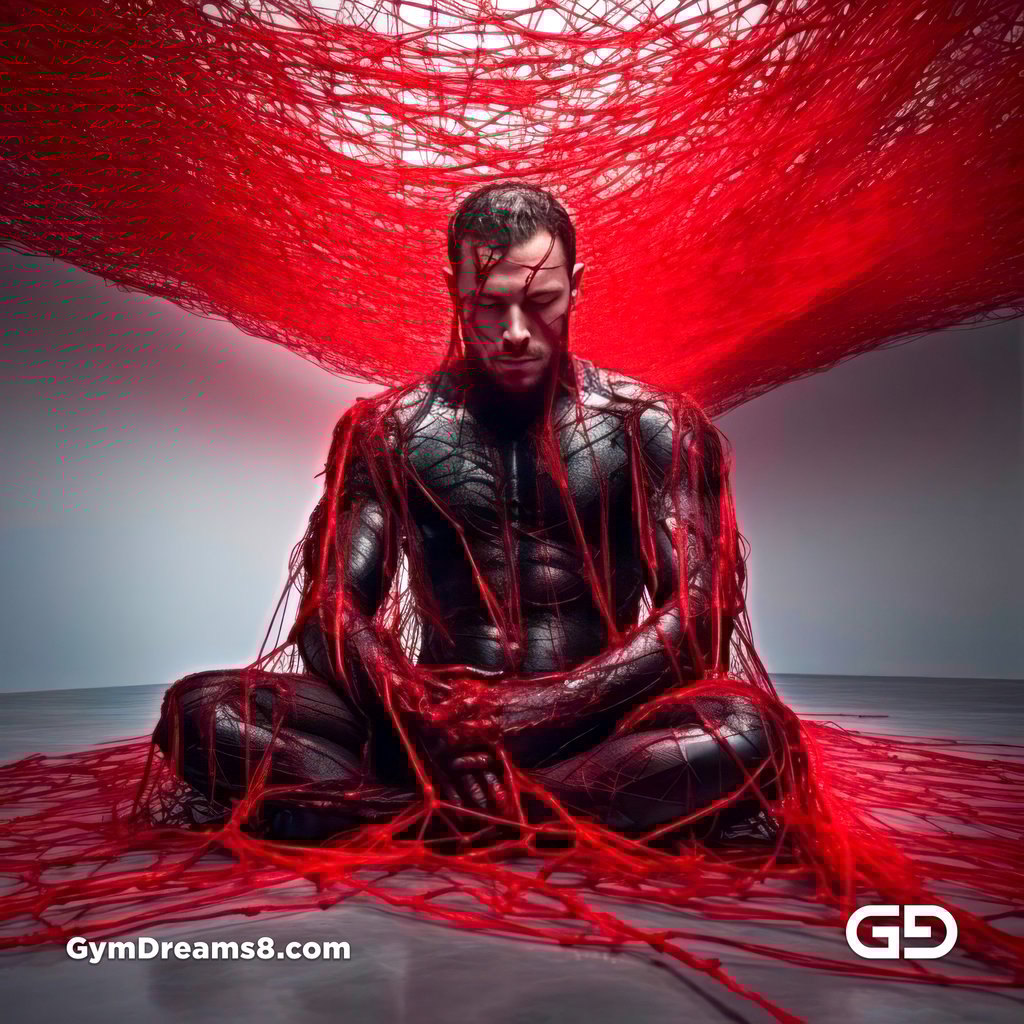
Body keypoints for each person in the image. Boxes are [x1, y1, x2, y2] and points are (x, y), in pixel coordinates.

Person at [153, 182, 795, 842]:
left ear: (576, 287)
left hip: (598, 726)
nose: (516, 333)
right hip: (433, 723)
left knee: (752, 733)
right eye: (490, 305)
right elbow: (331, 608)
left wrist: (540, 707)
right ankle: (526, 813)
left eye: (541, 302)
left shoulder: (650, 426)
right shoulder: (391, 430)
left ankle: (421, 815)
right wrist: (414, 711)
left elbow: (698, 617)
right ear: (453, 289)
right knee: (201, 710)